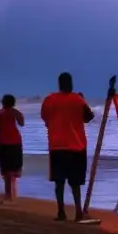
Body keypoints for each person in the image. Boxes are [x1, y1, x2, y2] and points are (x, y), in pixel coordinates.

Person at [41, 74, 95, 221]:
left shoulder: (49, 99)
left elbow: (45, 118)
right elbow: (88, 117)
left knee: (59, 181)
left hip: (57, 145)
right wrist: (82, 100)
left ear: (59, 84)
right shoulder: (78, 99)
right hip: (76, 146)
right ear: (70, 83)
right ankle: (78, 212)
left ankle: (61, 212)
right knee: (75, 182)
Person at [0, 94, 25, 202]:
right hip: (15, 141)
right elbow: (22, 123)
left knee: (6, 170)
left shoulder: (0, 113)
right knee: (13, 169)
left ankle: (8, 194)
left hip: (2, 141)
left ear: (3, 102)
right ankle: (12, 192)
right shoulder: (15, 112)